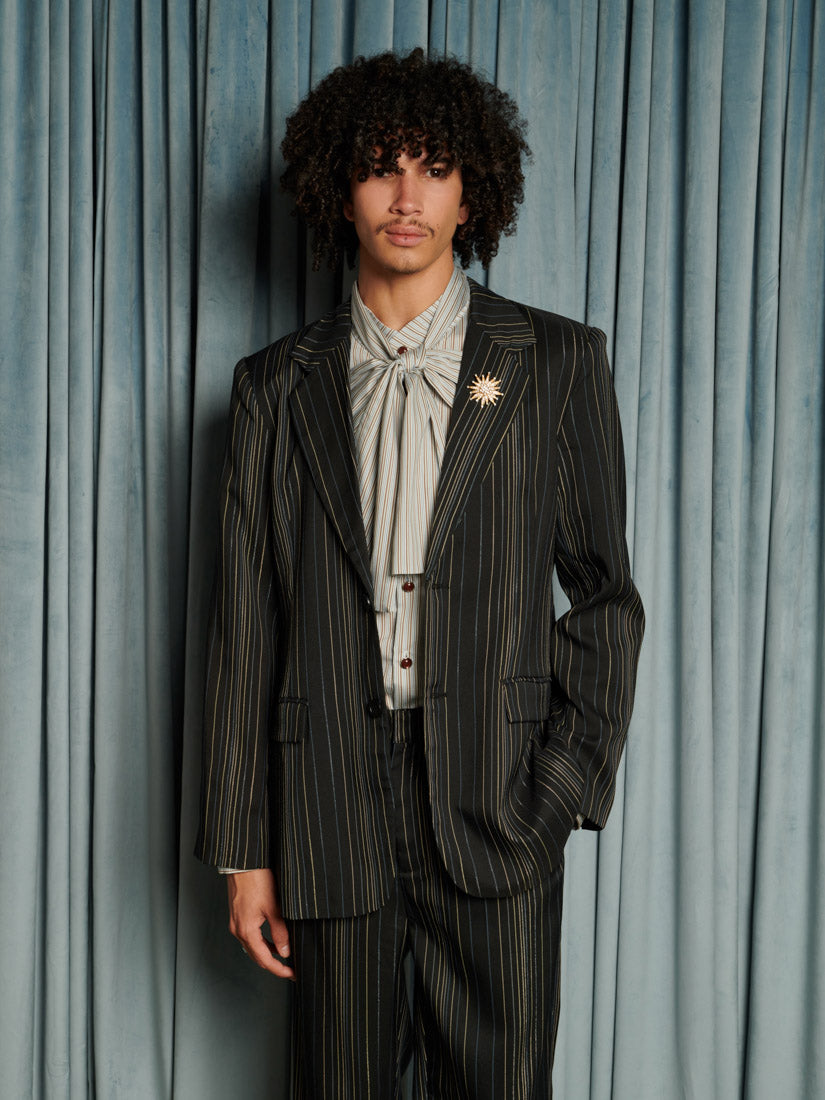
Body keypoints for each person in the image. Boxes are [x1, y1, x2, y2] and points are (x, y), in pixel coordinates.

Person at [196, 47, 644, 1099]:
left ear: (472, 191)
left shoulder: (554, 362)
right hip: (327, 805)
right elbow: (245, 622)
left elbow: (605, 597)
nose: (407, 197)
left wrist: (557, 792)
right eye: (380, 167)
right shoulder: (273, 388)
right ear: (337, 189)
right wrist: (243, 849)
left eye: (435, 169)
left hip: (499, 801)